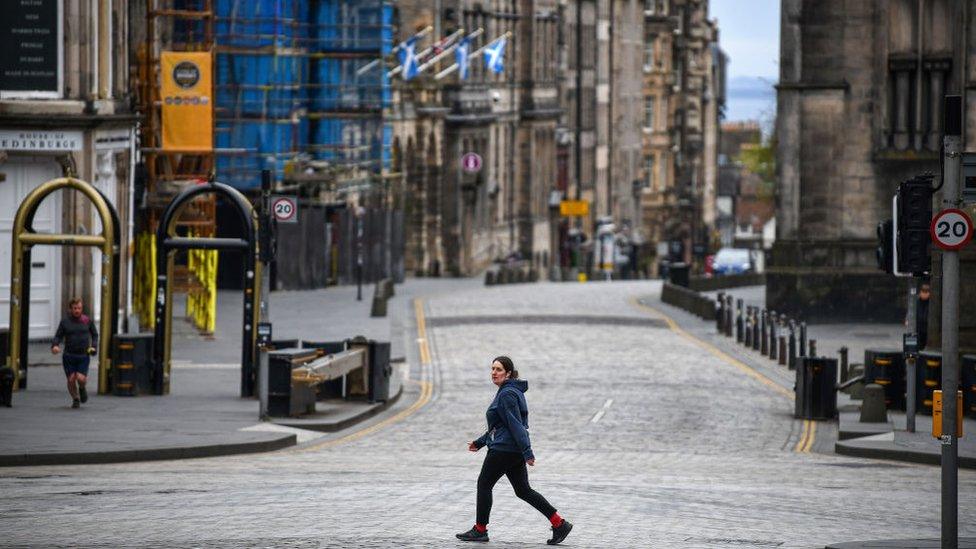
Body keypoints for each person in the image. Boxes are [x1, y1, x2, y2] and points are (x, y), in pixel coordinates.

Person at [456, 356, 573, 545]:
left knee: (484, 484)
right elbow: (500, 426)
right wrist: (480, 442)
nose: (494, 373)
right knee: (523, 490)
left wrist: (527, 452)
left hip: (504, 449)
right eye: (492, 369)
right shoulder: (508, 391)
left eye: (499, 369)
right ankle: (559, 524)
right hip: (511, 449)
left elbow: (515, 424)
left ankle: (480, 530)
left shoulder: (507, 394)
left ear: (508, 373)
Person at [51, 298, 98, 409]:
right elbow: (58, 336)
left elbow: (95, 335)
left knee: (80, 378)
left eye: (79, 308)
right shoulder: (65, 322)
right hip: (69, 356)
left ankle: (82, 388)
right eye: (75, 308)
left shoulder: (87, 321)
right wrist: (55, 345)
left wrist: (94, 347)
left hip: (83, 355)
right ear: (70, 309)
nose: (77, 310)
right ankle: (75, 398)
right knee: (71, 379)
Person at [916, 281, 930, 349]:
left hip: (927, 327)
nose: (924, 294)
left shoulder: (931, 302)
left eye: (926, 292)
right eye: (923, 292)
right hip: (918, 326)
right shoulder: (917, 301)